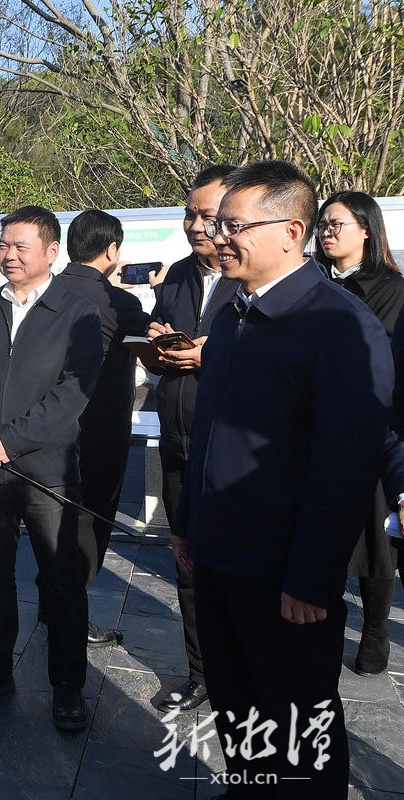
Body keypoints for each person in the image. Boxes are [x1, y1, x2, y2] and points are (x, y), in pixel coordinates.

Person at [179, 160, 392, 796]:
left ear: (290, 230)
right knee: (239, 707)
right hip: (220, 558)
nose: (219, 237)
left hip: (283, 575)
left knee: (299, 722)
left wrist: (311, 576)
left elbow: (345, 464)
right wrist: (188, 524)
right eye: (218, 224)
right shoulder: (231, 315)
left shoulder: (341, 326)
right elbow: (208, 436)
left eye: (233, 225)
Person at [0, 206, 103, 732]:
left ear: (51, 251)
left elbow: (72, 394)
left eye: (21, 247)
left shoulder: (77, 312)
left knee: (62, 581)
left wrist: (8, 441)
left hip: (47, 470)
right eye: (3, 245)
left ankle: (67, 685)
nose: (9, 256)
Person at [145, 163, 238, 714]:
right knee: (187, 565)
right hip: (178, 440)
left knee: (234, 572)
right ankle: (200, 671)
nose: (196, 224)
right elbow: (162, 332)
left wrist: (212, 353)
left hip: (230, 456)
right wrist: (158, 340)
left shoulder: (255, 278)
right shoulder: (178, 274)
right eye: (190, 213)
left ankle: (239, 675)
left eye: (207, 214)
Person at [315, 191, 404, 677]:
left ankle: (375, 632)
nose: (327, 231)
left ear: (367, 230)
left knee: (375, 541)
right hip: (316, 429)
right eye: (323, 224)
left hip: (373, 427)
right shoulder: (310, 282)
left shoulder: (392, 287)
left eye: (338, 224)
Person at [56, 209, 152, 647]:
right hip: (99, 432)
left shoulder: (47, 290)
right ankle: (72, 615)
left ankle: (52, 607)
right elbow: (157, 353)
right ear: (112, 250)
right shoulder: (120, 303)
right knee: (92, 522)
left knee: (53, 521)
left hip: (48, 430)